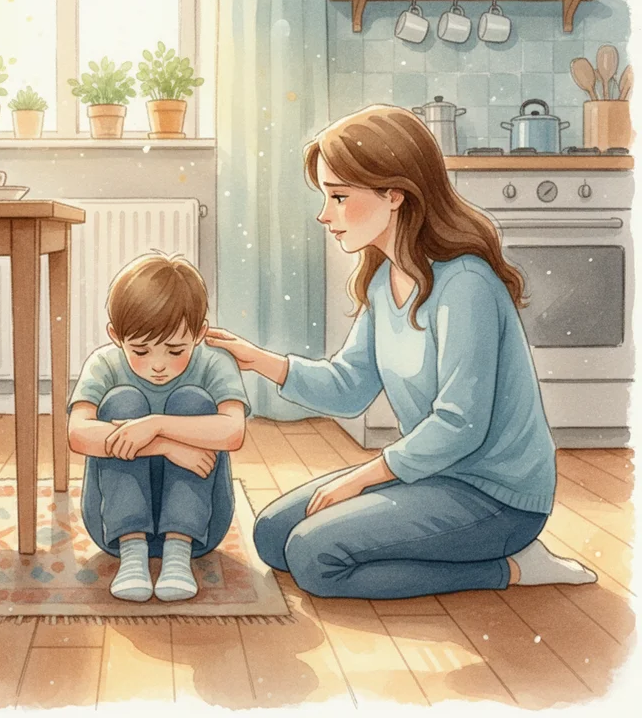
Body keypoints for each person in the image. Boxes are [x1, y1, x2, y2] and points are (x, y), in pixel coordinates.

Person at [205, 104, 597, 600]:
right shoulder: (382, 279)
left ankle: (514, 566)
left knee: (313, 558)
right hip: (429, 475)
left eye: (340, 197)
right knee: (272, 536)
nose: (325, 215)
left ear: (395, 194)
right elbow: (349, 388)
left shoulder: (466, 284)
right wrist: (256, 358)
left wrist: (363, 480)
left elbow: (460, 424)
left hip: (496, 496)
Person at [68, 252, 250, 602]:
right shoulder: (104, 362)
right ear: (116, 336)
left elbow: (233, 431)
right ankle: (133, 554)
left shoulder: (214, 362)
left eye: (174, 349)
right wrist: (166, 445)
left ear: (199, 334)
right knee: (121, 401)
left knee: (193, 401)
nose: (158, 366)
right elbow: (78, 433)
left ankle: (177, 554)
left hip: (200, 528)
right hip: (112, 528)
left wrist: (154, 426)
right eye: (140, 350)